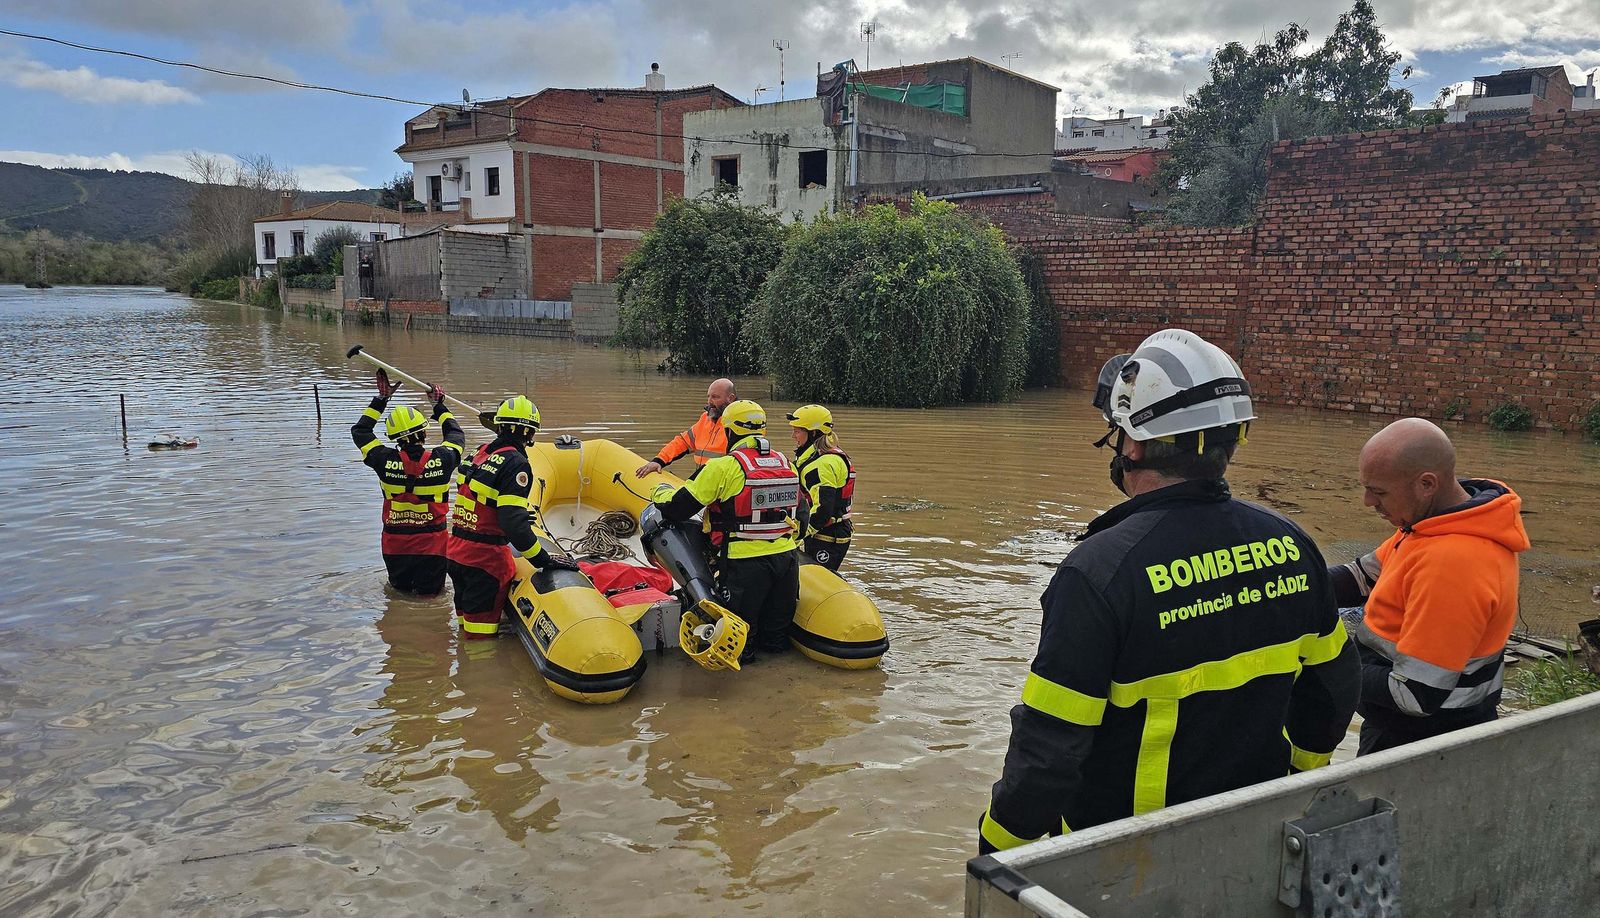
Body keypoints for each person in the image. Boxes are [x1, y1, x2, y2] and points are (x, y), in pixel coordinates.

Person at [978, 329, 1357, 856]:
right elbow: (1335, 690)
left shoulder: (1098, 574)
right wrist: (1291, 781)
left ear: (1132, 443)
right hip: (1253, 840)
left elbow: (1048, 752)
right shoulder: (1292, 545)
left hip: (1125, 861)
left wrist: (997, 851)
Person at [1328, 417, 1530, 755]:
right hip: (1404, 727)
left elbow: (1415, 695)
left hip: (1426, 746)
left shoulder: (1453, 562)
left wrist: (1331, 663)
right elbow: (1362, 577)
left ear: (1426, 484)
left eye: (1379, 492)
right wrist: (1289, 588)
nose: (1367, 502)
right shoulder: (1433, 524)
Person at [651, 399, 800, 662]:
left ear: (729, 432)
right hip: (787, 559)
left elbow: (678, 509)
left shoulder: (723, 467)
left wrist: (659, 492)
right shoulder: (785, 461)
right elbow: (804, 509)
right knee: (776, 639)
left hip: (745, 563)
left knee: (740, 643)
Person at [445, 395, 577, 639]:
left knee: (464, 627)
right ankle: (477, 674)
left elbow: (480, 500)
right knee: (480, 640)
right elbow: (513, 524)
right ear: (527, 431)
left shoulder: (479, 452)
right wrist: (543, 560)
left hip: (456, 554)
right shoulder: (515, 463)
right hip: (484, 561)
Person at [351, 371, 464, 595]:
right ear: (424, 432)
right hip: (432, 545)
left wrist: (381, 399)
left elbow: (360, 431)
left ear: (393, 437)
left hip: (395, 544)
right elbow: (455, 434)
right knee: (431, 598)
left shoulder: (382, 459)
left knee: (398, 595)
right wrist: (439, 405)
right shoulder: (444, 459)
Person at [786, 404, 855, 571]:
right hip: (825, 531)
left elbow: (824, 508)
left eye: (797, 431)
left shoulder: (822, 464)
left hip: (828, 535)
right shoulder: (820, 456)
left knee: (822, 575)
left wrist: (798, 534)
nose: (793, 436)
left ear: (813, 433)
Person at [635, 377, 736, 477]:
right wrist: (659, 461)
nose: (709, 401)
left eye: (715, 397)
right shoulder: (705, 419)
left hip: (724, 486)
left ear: (730, 398)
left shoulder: (738, 425)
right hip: (703, 484)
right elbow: (682, 442)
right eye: (708, 396)